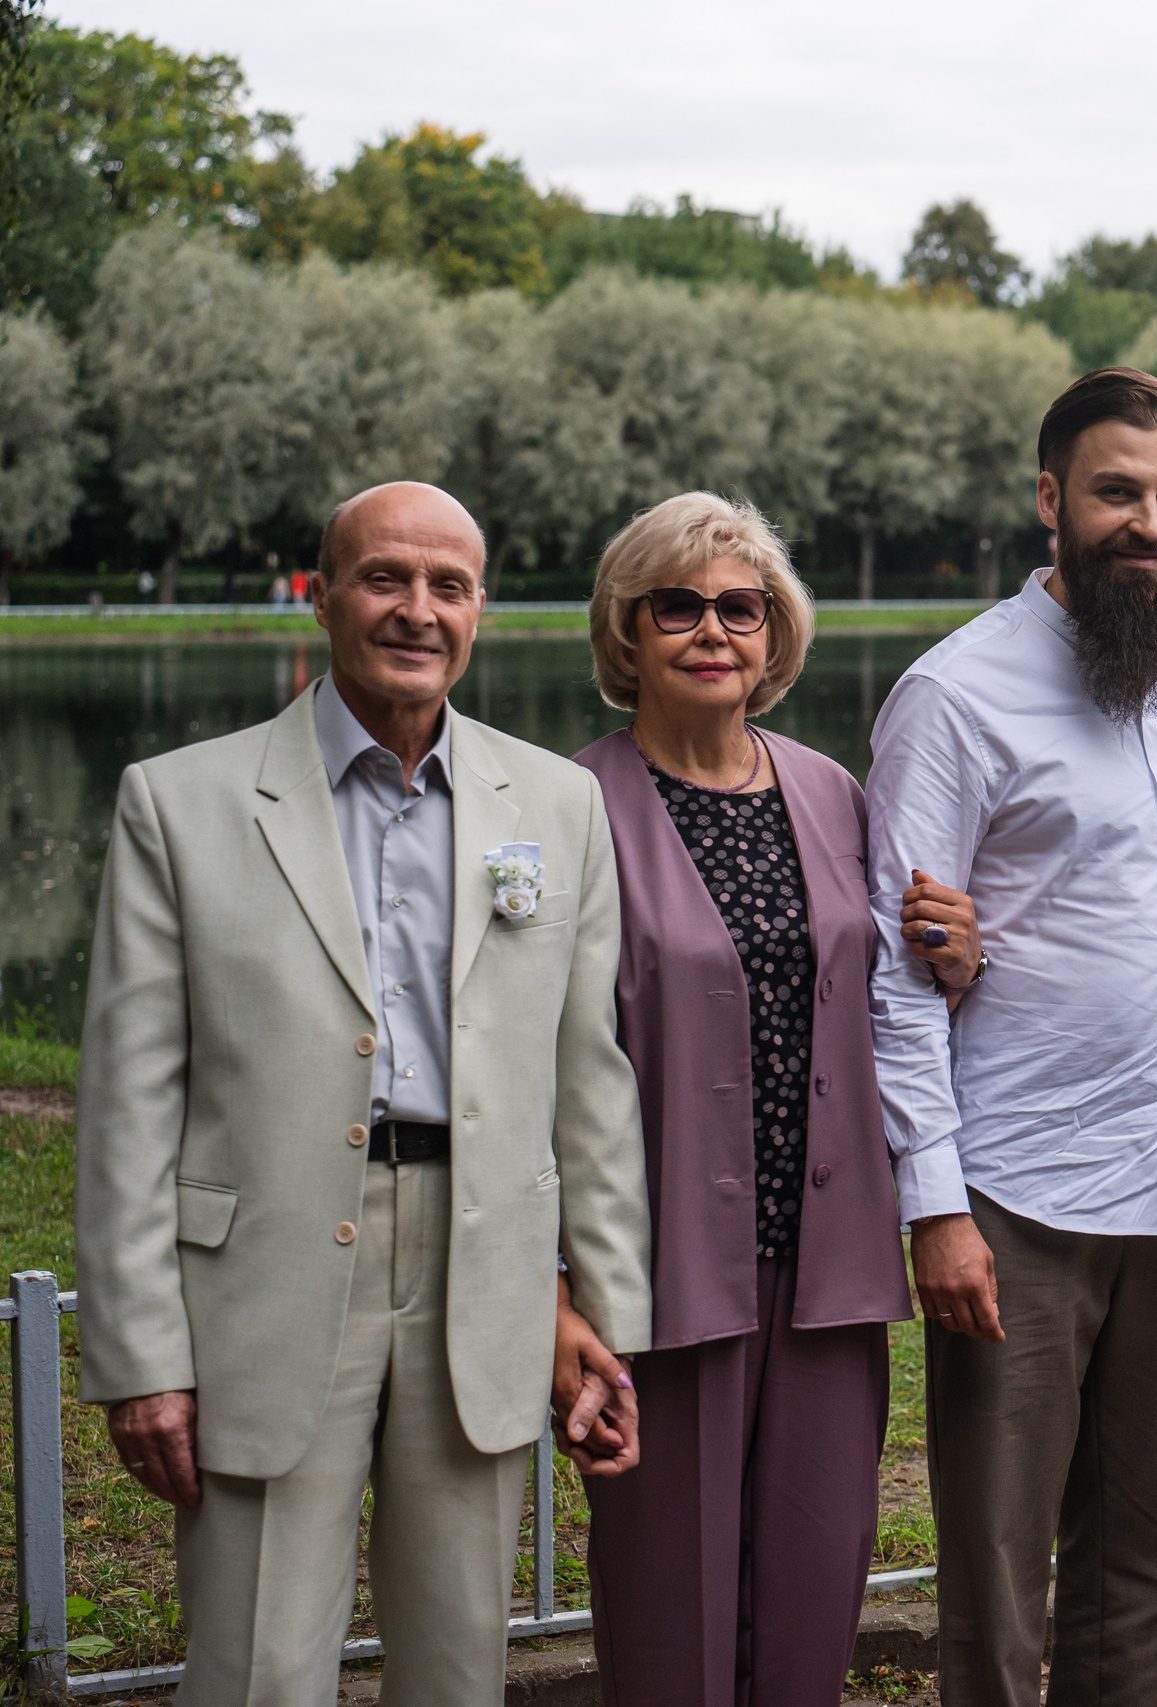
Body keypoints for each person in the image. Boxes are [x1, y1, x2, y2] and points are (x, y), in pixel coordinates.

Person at [74, 480, 652, 1705]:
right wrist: (138, 1354)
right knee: (255, 1664)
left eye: (448, 585)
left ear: (480, 608)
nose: (417, 610)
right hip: (267, 1276)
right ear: (323, 592)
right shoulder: (179, 803)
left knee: (457, 1662)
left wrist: (601, 1306)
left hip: (482, 1268)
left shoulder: (556, 804)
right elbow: (129, 1104)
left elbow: (586, 1079)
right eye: (386, 577)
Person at [865, 367, 1157, 1707]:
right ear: (1051, 500)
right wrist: (935, 1208)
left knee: (1143, 1566)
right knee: (993, 1564)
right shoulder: (952, 696)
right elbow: (896, 973)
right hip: (1014, 1192)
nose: (1150, 520)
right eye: (1118, 492)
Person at [569, 493, 982, 1705]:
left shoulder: (834, 794)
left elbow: (881, 1005)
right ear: (627, 630)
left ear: (774, 634)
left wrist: (956, 963)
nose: (712, 630)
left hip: (826, 1263)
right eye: (678, 606)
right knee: (665, 1604)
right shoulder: (565, 807)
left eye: (739, 608)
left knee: (817, 1579)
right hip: (661, 1267)